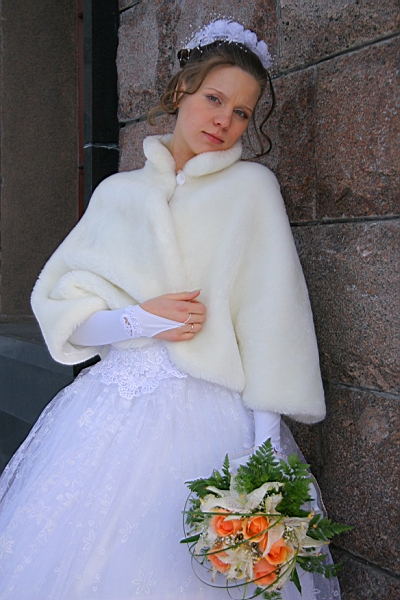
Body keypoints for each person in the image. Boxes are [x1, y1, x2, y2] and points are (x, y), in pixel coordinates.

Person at [0, 20, 340, 600]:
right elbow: (61, 306)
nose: (224, 120)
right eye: (214, 99)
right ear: (182, 90)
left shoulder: (252, 190)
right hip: (111, 411)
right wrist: (140, 319)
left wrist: (263, 457)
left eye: (241, 112)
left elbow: (272, 322)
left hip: (216, 416)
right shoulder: (118, 195)